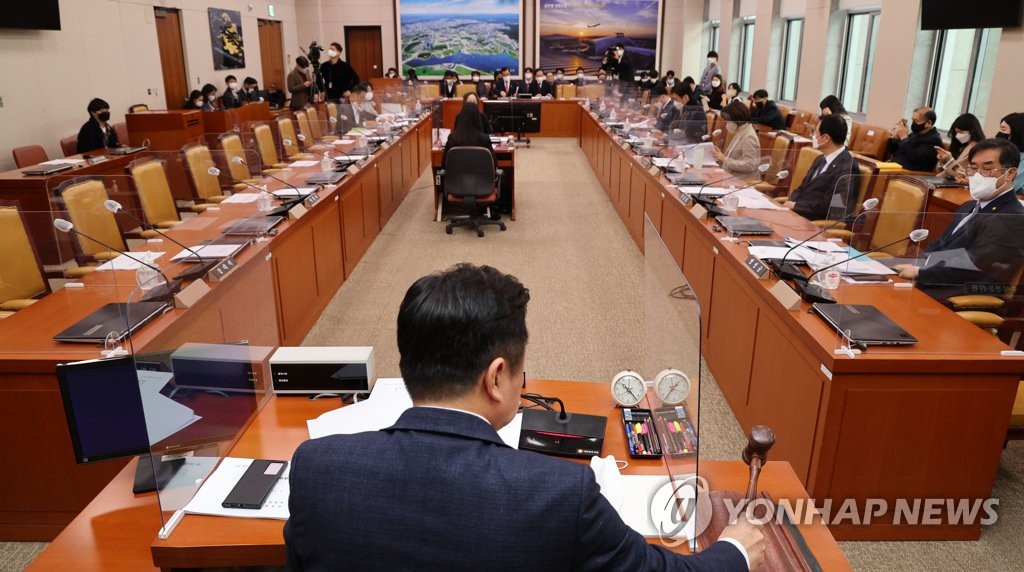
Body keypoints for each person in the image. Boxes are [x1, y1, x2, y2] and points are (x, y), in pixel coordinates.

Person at [284, 263, 765, 571]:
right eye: (521, 372)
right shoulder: (561, 493)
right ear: (496, 377)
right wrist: (737, 550)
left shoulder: (316, 466)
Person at [894, 139, 1024, 298]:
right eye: (973, 168)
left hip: (957, 295)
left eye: (987, 169)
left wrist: (920, 274)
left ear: (1010, 173)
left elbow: (973, 266)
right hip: (933, 278)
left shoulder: (1011, 217)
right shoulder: (969, 206)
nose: (977, 175)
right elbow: (941, 246)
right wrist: (918, 260)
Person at [783, 114, 859, 221]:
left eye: (816, 133)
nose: (813, 136)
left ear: (825, 138)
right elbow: (802, 188)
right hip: (795, 214)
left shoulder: (848, 167)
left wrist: (796, 205)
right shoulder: (819, 159)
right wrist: (789, 202)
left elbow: (831, 206)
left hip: (814, 223)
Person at [712, 100, 760, 174]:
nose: (726, 125)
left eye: (728, 122)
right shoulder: (741, 131)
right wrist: (720, 157)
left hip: (740, 178)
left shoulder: (749, 137)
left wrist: (724, 158)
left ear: (737, 120)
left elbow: (750, 165)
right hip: (730, 174)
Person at [890, 106, 941, 172]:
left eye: (915, 120)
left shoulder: (934, 140)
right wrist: (896, 138)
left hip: (909, 173)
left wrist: (903, 137)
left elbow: (914, 157)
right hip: (893, 167)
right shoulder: (914, 134)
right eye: (912, 120)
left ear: (928, 123)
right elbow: (892, 151)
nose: (913, 123)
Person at [935, 113, 984, 181]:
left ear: (972, 130)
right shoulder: (960, 145)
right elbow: (940, 171)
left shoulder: (978, 149)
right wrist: (943, 161)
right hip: (948, 180)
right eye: (956, 132)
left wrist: (949, 160)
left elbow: (964, 174)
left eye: (961, 132)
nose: (957, 136)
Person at [996, 112, 1024, 192]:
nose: (1000, 133)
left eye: (1003, 129)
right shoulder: (1005, 153)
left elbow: (1010, 185)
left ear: (1017, 132)